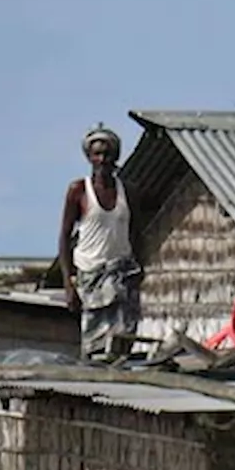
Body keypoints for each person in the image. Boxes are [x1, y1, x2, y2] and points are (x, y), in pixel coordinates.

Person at [58, 124, 142, 361]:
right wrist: (68, 282)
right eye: (97, 154)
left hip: (122, 271)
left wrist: (138, 267)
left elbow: (136, 232)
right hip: (90, 273)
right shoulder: (78, 191)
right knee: (94, 338)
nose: (102, 159)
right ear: (89, 157)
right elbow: (65, 236)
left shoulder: (128, 191)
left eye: (107, 154)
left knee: (123, 336)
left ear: (115, 156)